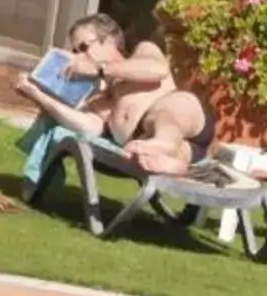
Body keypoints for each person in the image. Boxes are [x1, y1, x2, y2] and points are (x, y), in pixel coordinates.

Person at [18, 13, 212, 175]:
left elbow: (157, 70)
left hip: (184, 115)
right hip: (147, 141)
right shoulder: (99, 96)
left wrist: (99, 68)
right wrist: (37, 94)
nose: (79, 56)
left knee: (163, 112)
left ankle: (165, 145)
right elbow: (90, 128)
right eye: (76, 51)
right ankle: (176, 157)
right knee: (150, 145)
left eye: (84, 47)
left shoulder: (143, 51)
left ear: (109, 40)